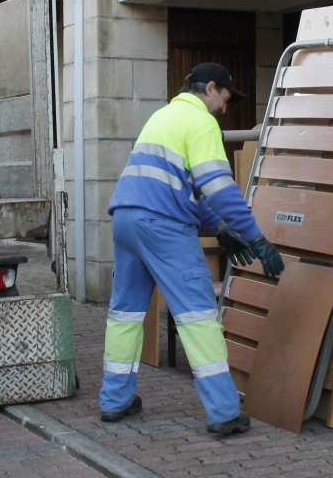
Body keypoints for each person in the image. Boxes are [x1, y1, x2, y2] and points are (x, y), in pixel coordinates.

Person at [99, 62, 285, 435]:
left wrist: (217, 228)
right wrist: (256, 238)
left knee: (126, 314)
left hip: (126, 220)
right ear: (211, 88)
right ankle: (224, 413)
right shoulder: (201, 123)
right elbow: (219, 188)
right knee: (198, 314)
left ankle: (114, 401)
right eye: (226, 99)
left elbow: (173, 187)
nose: (225, 108)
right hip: (163, 227)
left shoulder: (163, 117)